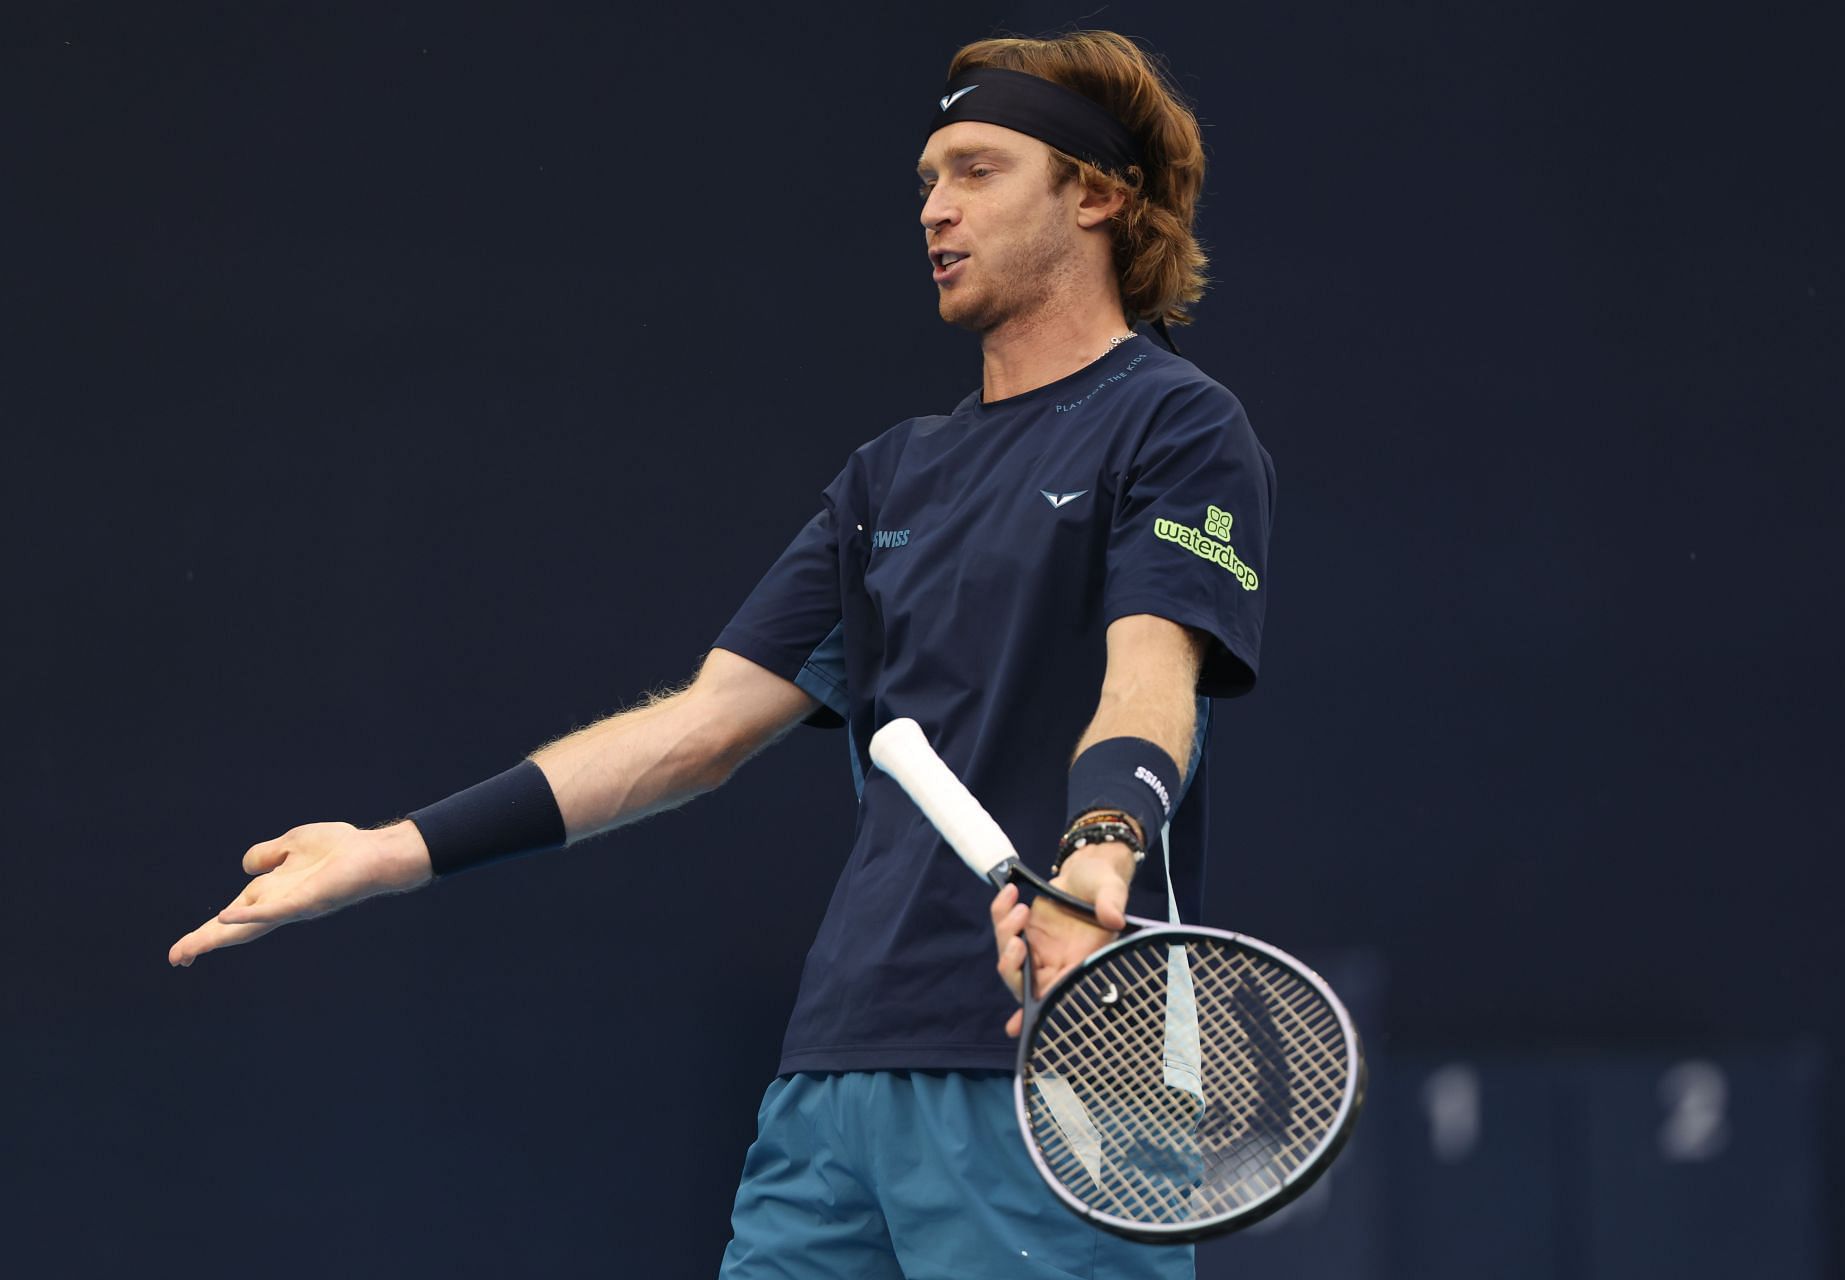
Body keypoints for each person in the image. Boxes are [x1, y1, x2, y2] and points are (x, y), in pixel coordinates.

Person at [169, 29, 1274, 1280]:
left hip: (1062, 1059)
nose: (933, 207)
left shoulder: (1177, 423)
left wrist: (1099, 853)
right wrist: (389, 848)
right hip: (833, 1078)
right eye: (925, 178)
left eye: (975, 169)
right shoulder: (889, 475)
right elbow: (694, 731)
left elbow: (1151, 675)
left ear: (1096, 192)